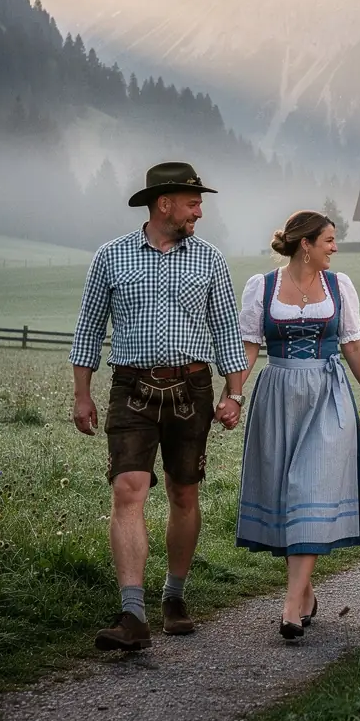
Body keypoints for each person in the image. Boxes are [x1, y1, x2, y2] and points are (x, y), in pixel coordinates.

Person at [69, 161, 247, 651]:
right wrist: (82, 393)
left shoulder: (209, 259)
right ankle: (132, 613)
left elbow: (228, 332)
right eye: (193, 202)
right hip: (130, 389)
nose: (200, 212)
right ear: (163, 203)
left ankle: (174, 596)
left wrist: (234, 394)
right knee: (128, 489)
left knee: (183, 493)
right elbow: (88, 330)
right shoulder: (111, 256)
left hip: (192, 390)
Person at [235, 210, 360, 640]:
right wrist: (234, 395)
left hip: (327, 392)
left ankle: (289, 607)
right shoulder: (261, 287)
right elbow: (248, 347)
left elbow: (353, 346)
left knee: (309, 486)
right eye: (329, 241)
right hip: (278, 393)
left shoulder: (340, 286)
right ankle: (305, 592)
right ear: (307, 244)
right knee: (287, 496)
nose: (335, 248)